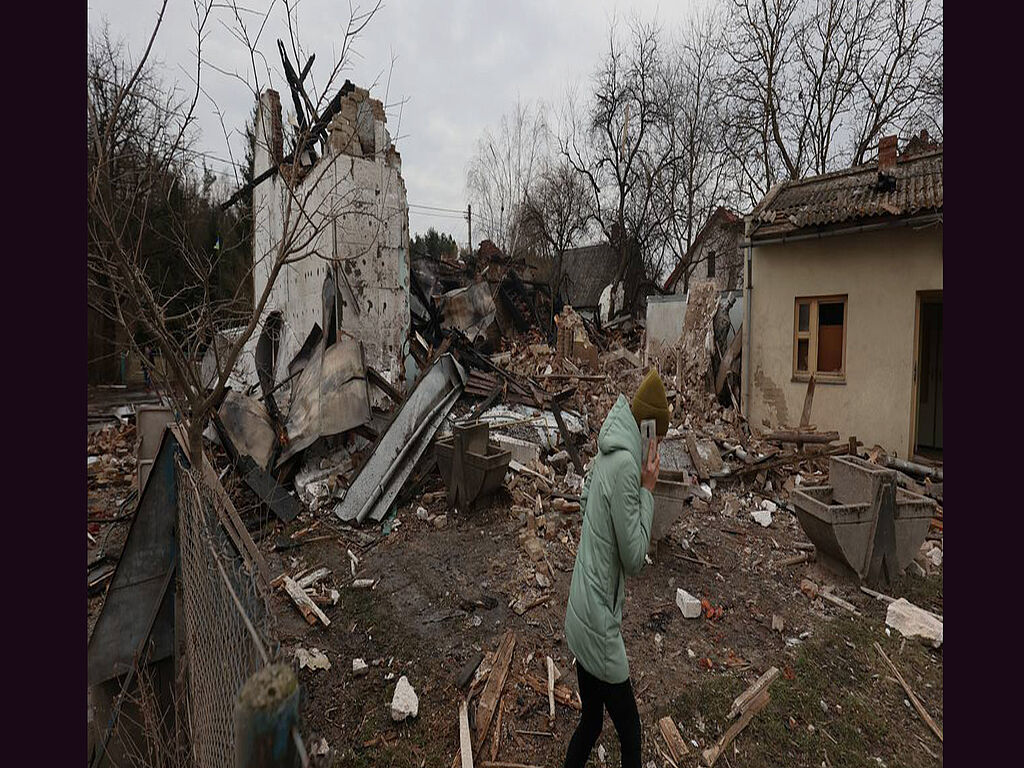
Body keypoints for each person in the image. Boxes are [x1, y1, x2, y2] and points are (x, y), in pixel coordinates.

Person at [563, 368, 668, 768]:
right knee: (630, 730)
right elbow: (635, 557)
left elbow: (587, 502)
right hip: (599, 623)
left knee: (591, 721)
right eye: (658, 438)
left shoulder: (608, 449)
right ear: (649, 432)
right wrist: (648, 490)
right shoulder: (627, 467)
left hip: (581, 607)